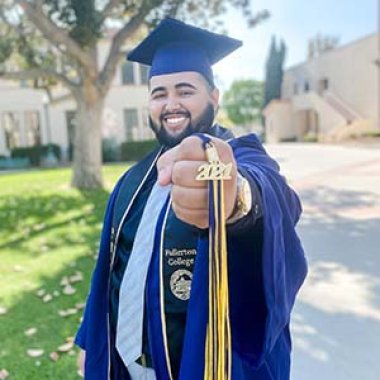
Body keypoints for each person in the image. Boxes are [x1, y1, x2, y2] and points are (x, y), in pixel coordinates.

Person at [75, 17, 307, 380]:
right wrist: (90, 341)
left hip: (204, 367)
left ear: (214, 97)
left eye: (185, 91)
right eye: (159, 93)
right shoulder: (131, 182)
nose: (171, 104)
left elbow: (273, 196)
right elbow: (110, 268)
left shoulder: (241, 157)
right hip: (126, 368)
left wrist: (235, 200)